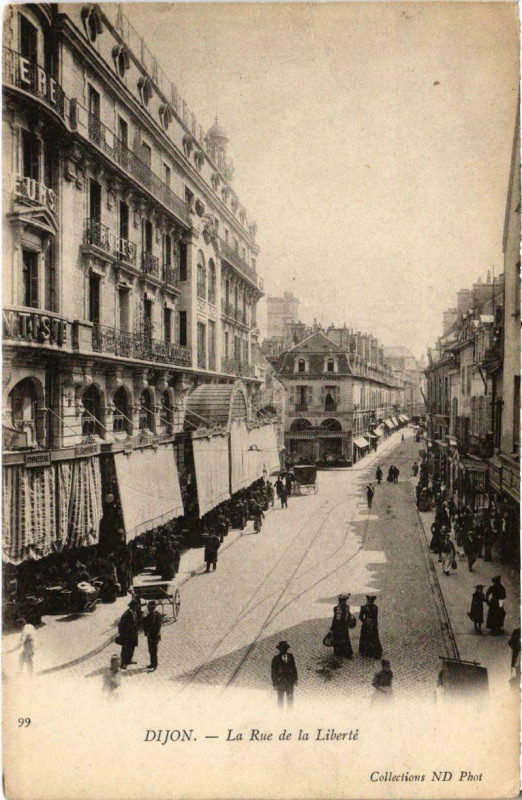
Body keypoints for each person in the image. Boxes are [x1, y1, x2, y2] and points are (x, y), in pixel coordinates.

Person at [271, 641, 298, 708]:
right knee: (280, 699)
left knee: (290, 698)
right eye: (282, 649)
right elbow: (273, 672)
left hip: (289, 681)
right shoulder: (275, 659)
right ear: (279, 650)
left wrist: (295, 679)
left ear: (287, 649)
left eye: (285, 649)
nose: (284, 650)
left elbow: (294, 668)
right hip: (280, 682)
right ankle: (280, 715)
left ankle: (290, 713)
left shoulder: (290, 657)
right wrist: (275, 684)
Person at [330, 594, 354, 659]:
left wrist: (332, 628)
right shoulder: (347, 607)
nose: (344, 602)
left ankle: (339, 653)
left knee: (338, 639)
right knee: (345, 639)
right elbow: (349, 615)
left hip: (338, 627)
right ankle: (347, 653)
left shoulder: (337, 608)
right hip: (345, 626)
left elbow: (336, 619)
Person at [118, 599, 140, 669]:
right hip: (127, 635)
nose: (137, 608)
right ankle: (123, 663)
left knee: (132, 647)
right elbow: (121, 626)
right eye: (136, 607)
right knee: (125, 649)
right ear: (133, 606)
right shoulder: (126, 614)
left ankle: (129, 660)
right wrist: (123, 635)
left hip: (133, 634)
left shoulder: (134, 612)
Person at [143, 600, 162, 671]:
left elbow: (157, 627)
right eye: (148, 608)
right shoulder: (149, 615)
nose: (149, 609)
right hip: (150, 636)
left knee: (154, 650)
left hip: (154, 636)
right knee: (150, 650)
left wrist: (149, 632)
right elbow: (144, 623)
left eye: (150, 608)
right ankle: (152, 663)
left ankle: (155, 665)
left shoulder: (157, 615)